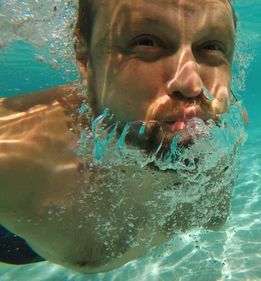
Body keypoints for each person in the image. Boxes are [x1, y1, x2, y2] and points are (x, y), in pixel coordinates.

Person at [0, 0, 246, 273]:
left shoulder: (226, 130)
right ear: (84, 59)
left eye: (211, 47)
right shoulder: (16, 150)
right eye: (148, 42)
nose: (191, 84)